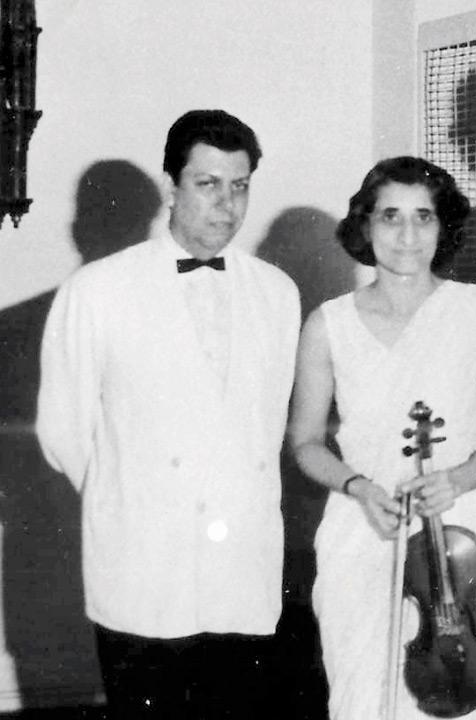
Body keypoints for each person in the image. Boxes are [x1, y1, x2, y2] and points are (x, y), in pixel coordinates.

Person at [36, 109, 298, 719]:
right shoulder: (97, 290)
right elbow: (62, 430)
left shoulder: (277, 292)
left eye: (239, 186)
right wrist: (132, 498)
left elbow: (262, 425)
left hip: (240, 563)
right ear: (170, 187)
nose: (227, 205)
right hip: (143, 561)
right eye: (208, 184)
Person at [289, 157, 476, 720]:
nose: (407, 234)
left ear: (442, 226)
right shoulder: (327, 324)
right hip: (364, 530)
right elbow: (305, 442)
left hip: (456, 541)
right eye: (390, 216)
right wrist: (357, 486)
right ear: (365, 224)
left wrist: (457, 479)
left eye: (423, 217)